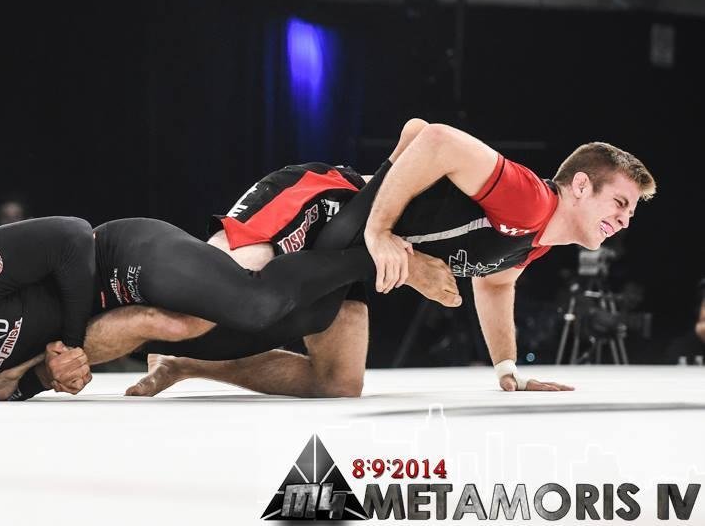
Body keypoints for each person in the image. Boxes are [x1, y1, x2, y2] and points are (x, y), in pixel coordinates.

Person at [127, 118, 656, 396]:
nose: (625, 221)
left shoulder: (534, 238)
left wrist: (508, 370)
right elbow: (437, 137)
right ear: (581, 185)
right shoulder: (530, 198)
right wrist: (379, 231)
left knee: (338, 383)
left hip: (350, 254)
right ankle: (81, 314)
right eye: (620, 203)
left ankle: (184, 365)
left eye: (631, 212)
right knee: (210, 297)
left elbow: (495, 284)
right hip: (323, 203)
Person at [0, 215, 378, 402]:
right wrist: (48, 376)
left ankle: (376, 254)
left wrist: (72, 344)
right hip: (128, 325)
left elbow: (71, 236)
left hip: (123, 261)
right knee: (301, 320)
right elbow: (10, 385)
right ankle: (348, 242)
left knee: (258, 304)